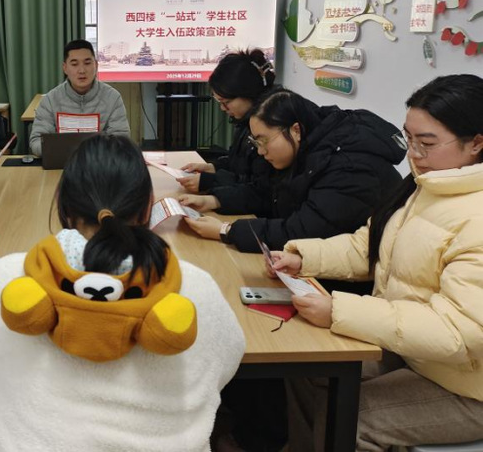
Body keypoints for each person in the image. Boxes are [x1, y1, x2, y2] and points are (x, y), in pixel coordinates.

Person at [0, 134, 245, 452]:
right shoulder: (193, 286)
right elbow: (224, 364)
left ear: (64, 205)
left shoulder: (7, 279)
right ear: (146, 208)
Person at [269, 74, 483, 451]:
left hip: (466, 384)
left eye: (427, 144)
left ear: (476, 143)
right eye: (409, 139)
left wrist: (338, 311)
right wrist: (303, 258)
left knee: (351, 418)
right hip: (416, 353)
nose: (413, 154)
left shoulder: (473, 214)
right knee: (306, 365)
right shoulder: (427, 186)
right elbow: (367, 247)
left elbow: (457, 333)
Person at [180, 88, 405, 254]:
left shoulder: (348, 166)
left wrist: (227, 231)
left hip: (345, 285)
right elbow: (268, 193)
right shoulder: (308, 147)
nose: (260, 151)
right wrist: (214, 200)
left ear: (296, 130)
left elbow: (302, 232)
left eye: (263, 141)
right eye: (256, 143)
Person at [177, 49, 276, 196]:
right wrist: (212, 168)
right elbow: (238, 164)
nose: (223, 108)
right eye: (219, 102)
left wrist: (211, 184)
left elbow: (259, 189)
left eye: (226, 102)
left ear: (248, 93)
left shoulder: (272, 124)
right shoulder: (245, 121)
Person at [28, 39, 130, 156]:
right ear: (65, 68)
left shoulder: (112, 98)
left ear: (96, 65)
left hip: (99, 164)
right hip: (62, 163)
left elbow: (121, 140)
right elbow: (36, 141)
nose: (82, 70)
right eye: (74, 64)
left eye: (87, 63)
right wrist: (63, 149)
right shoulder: (51, 100)